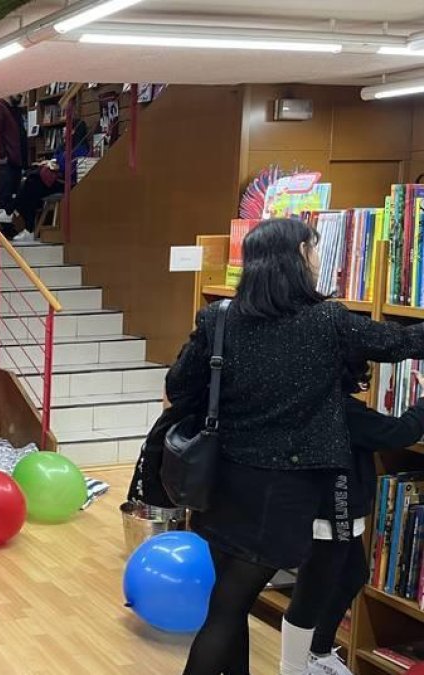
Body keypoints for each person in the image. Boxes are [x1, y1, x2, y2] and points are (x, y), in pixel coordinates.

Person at [170, 218, 424, 675]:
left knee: (229, 599)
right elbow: (400, 343)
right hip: (282, 492)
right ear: (296, 257)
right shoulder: (327, 320)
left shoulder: (219, 317)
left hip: (219, 482)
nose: (316, 258)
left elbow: (179, 385)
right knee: (228, 608)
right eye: (312, 249)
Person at [280, 363, 424, 675]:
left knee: (352, 573)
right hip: (332, 514)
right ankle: (295, 667)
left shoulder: (317, 401)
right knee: (311, 591)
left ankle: (317, 649)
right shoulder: (346, 412)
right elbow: (399, 432)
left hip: (334, 511)